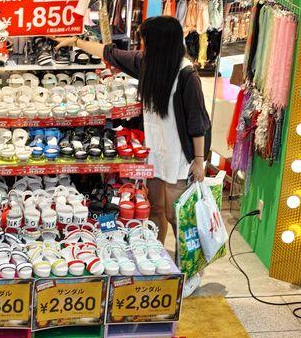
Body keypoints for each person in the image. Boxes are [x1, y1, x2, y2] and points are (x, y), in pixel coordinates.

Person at [54, 17, 210, 242]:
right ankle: (158, 255)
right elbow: (110, 53)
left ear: (159, 43)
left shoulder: (187, 75)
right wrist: (76, 41)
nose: (142, 45)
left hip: (180, 155)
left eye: (145, 40)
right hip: (154, 149)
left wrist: (198, 160)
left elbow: (198, 122)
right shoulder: (148, 63)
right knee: (155, 209)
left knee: (175, 214)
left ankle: (187, 266)